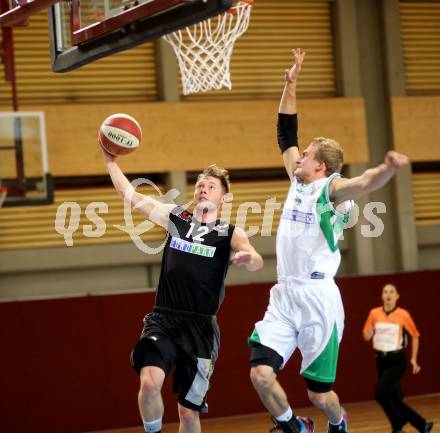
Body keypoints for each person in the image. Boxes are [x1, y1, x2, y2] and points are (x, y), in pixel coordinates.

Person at [248, 48, 410, 433]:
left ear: (319, 165)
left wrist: (387, 169)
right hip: (285, 295)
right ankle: (293, 426)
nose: (298, 156)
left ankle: (337, 421)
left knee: (320, 395)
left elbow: (363, 183)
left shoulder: (329, 189)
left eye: (305, 155)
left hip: (319, 300)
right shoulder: (296, 179)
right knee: (260, 374)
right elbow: (286, 131)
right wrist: (291, 83)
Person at [101, 147, 263, 433]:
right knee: (150, 383)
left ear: (222, 198)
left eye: (211, 186)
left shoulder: (230, 233)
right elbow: (132, 196)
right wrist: (110, 162)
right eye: (200, 184)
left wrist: (250, 259)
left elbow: (254, 257)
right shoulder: (176, 218)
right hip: (164, 319)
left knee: (188, 413)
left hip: (200, 329)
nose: (203, 189)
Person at [362, 283, 434, 433]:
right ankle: (416, 426)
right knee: (393, 396)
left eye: (391, 292)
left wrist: (414, 359)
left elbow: (415, 336)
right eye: (385, 292)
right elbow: (366, 335)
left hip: (397, 361)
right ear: (382, 296)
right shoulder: (374, 313)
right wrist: (367, 335)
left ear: (397, 296)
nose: (388, 294)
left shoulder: (403, 314)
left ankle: (400, 420)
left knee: (380, 393)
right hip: (381, 360)